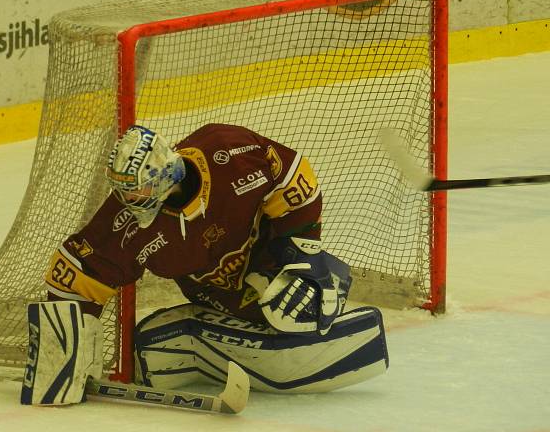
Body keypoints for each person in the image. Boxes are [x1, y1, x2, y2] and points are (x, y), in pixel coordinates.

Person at [22, 123, 388, 405]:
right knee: (285, 325)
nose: (129, 200)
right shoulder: (126, 221)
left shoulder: (229, 150)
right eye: (123, 191)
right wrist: (62, 351)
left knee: (301, 311)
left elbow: (293, 177)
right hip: (214, 294)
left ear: (164, 174)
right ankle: (188, 338)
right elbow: (78, 273)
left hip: (271, 262)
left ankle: (192, 342)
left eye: (136, 191)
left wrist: (302, 254)